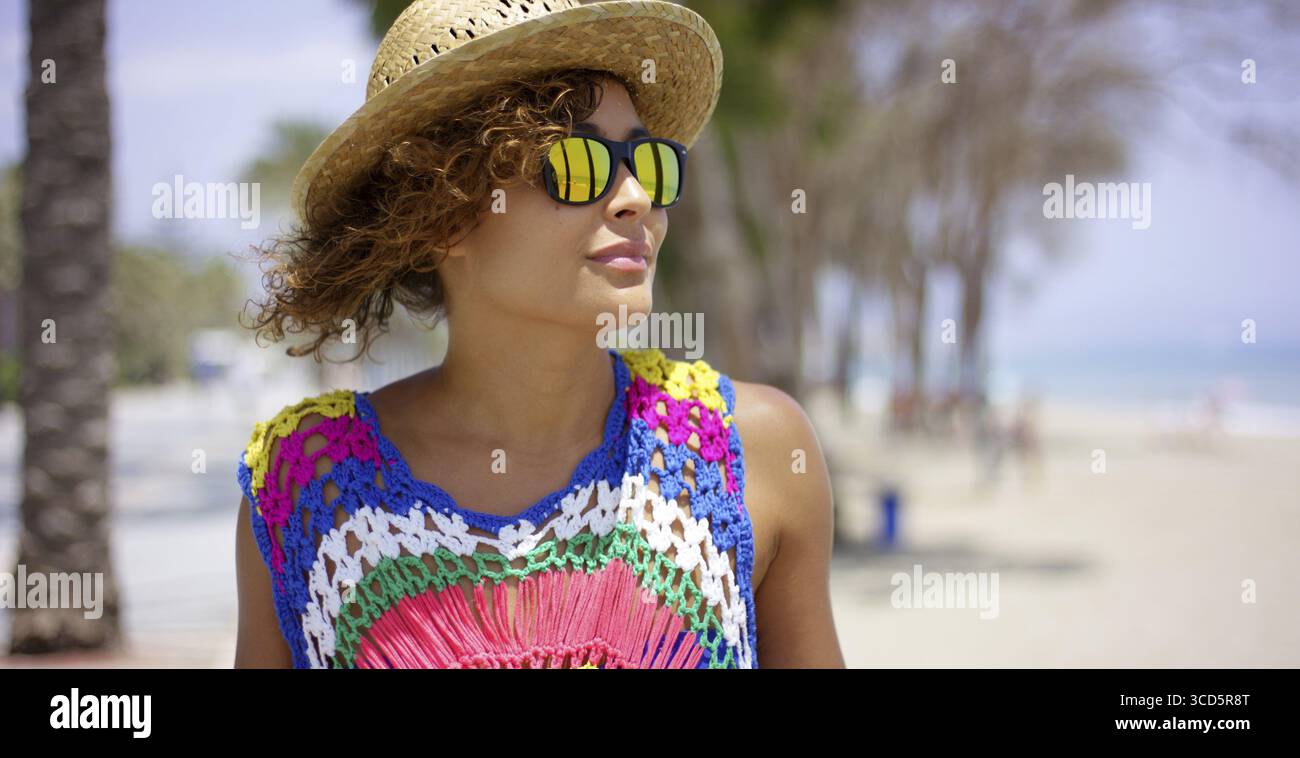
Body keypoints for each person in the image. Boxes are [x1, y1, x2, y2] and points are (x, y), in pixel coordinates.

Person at [232, 0, 843, 669]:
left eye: (651, 163)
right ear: (443, 214)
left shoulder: (750, 452)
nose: (637, 196)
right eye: (582, 164)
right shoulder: (305, 487)